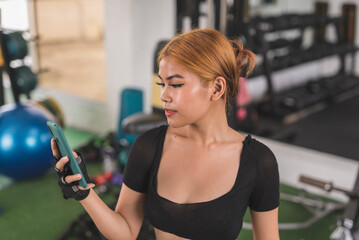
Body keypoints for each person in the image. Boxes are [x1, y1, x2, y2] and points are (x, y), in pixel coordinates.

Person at [51, 28, 280, 240]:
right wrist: (83, 192)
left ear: (217, 88)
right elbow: (125, 232)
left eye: (176, 84)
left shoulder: (258, 161)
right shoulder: (149, 146)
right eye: (162, 84)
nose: (164, 96)